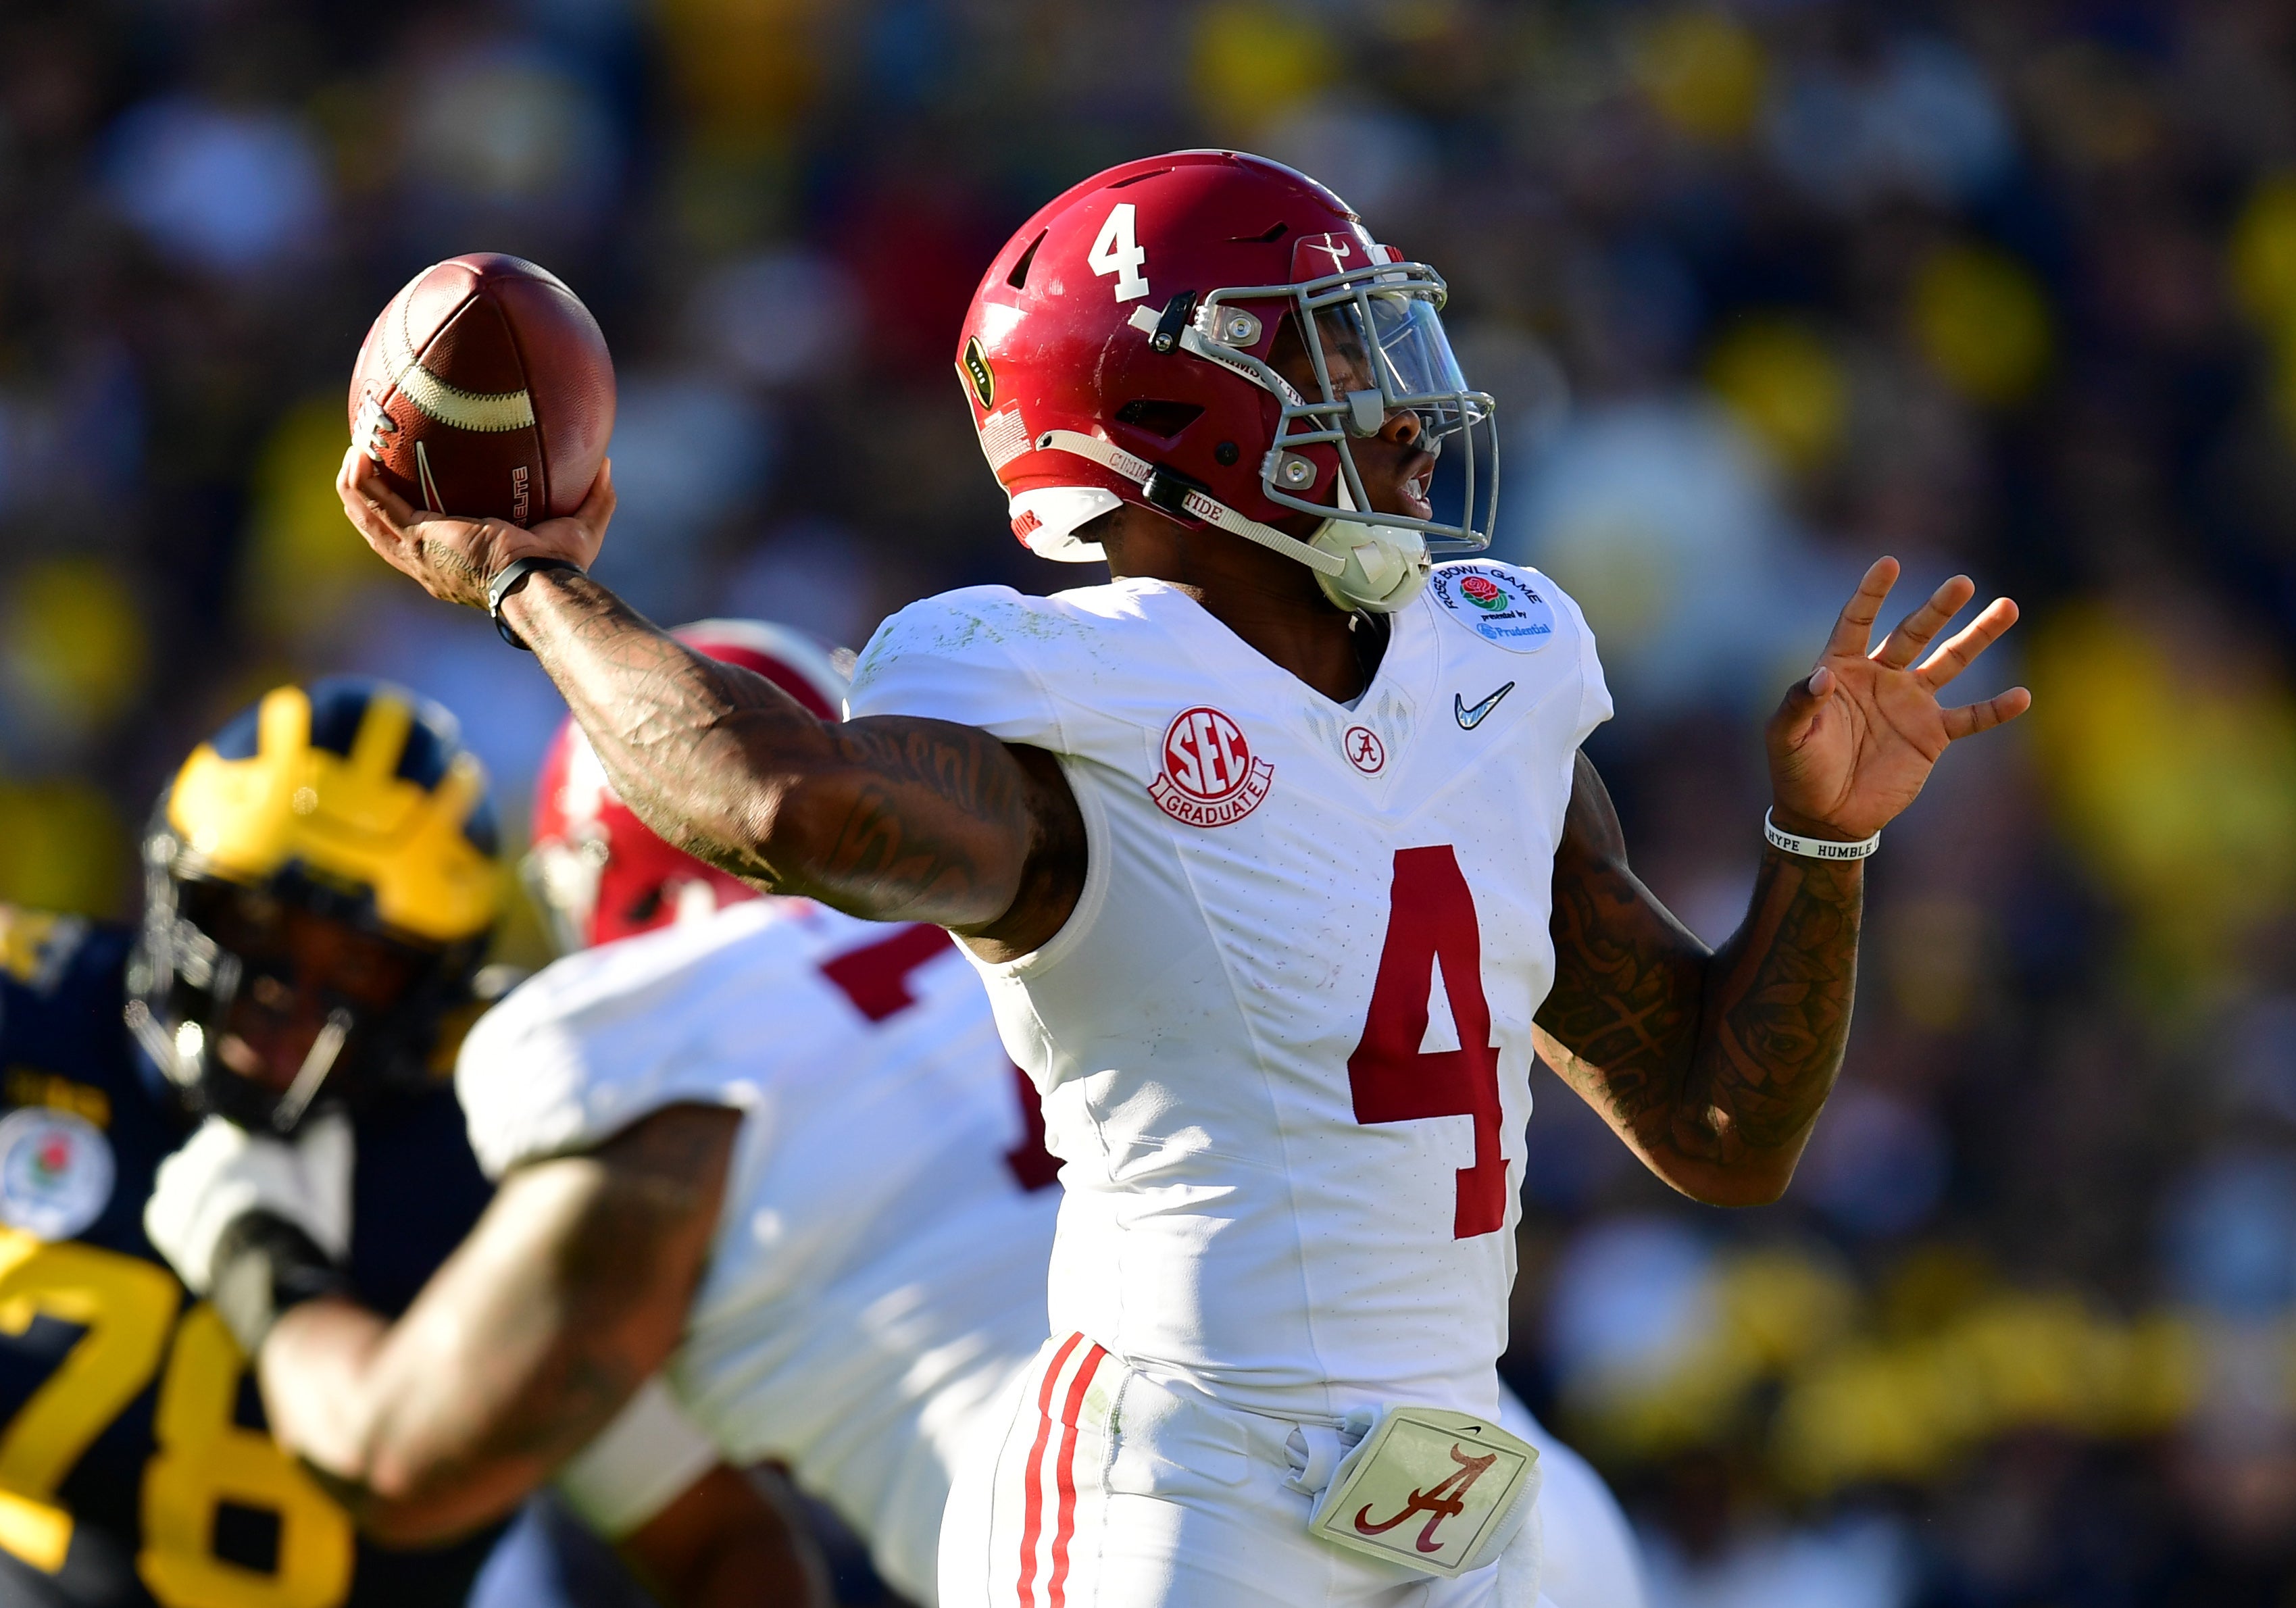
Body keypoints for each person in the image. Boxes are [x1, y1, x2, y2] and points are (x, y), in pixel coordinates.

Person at [336, 150, 2027, 1607]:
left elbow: (1721, 1129)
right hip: (1177, 1495)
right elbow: (777, 802)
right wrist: (526, 578)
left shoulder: (1490, 670)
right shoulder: (1073, 694)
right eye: (1331, 349)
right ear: (1164, 410)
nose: (1402, 396)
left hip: (1454, 1490)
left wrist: (1821, 846)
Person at [149, 620, 1647, 1608]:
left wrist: (246, 1234)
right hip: (1509, 1508)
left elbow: (401, 1453)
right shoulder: (1070, 905)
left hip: (1163, 1541)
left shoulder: (658, 1031)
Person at [0, 676, 798, 1608]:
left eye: (362, 963)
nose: (287, 1003)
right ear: (177, 889)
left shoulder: (490, 1167)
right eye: (256, 922)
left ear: (439, 990)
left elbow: (715, 1538)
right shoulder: (30, 1014)